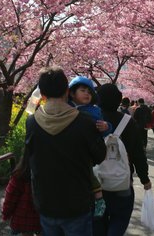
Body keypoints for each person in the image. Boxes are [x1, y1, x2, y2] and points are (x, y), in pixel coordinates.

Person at [25, 66, 107, 236]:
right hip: (77, 203)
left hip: (45, 201)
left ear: (43, 93)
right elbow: (100, 156)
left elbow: (30, 156)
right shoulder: (85, 122)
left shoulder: (32, 122)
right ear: (67, 91)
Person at [95, 84, 152, 236]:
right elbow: (138, 153)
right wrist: (144, 178)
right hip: (122, 181)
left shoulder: (91, 120)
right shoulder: (128, 122)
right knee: (120, 219)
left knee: (97, 220)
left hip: (95, 182)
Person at [68, 76, 111, 217]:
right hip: (73, 149)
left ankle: (99, 200)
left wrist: (106, 127)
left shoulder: (94, 110)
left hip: (90, 150)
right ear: (72, 93)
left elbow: (107, 128)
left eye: (89, 91)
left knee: (89, 174)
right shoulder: (66, 108)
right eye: (83, 90)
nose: (87, 94)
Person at [2, 148, 41, 236]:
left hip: (20, 222)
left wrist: (6, 213)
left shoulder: (19, 175)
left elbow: (10, 196)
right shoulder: (45, 174)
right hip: (39, 221)